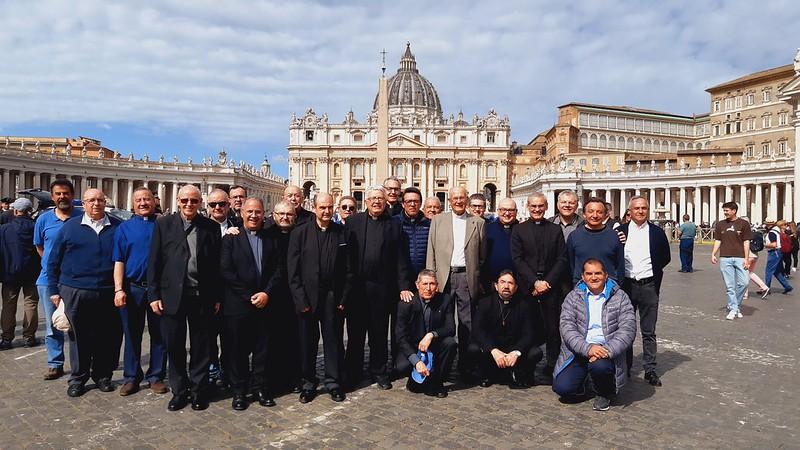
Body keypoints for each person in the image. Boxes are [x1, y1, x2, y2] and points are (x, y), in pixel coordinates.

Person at [148, 185, 222, 411]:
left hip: (202, 295)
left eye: (194, 200)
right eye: (185, 200)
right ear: (178, 201)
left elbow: (217, 265)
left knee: (201, 347)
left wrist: (217, 296)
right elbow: (154, 261)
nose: (189, 204)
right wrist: (153, 294)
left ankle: (199, 390)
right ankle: (179, 390)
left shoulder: (211, 227)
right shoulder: (163, 224)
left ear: (200, 202)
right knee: (175, 346)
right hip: (172, 295)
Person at [47, 188, 122, 397]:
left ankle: (102, 375)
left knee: (106, 336)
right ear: (84, 204)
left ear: (105, 202)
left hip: (107, 290)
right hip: (75, 289)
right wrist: (54, 290)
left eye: (100, 200)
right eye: (91, 200)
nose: (96, 204)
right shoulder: (70, 227)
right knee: (78, 337)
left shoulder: (117, 226)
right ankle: (78, 378)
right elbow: (53, 260)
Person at [344, 187, 413, 390]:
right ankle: (353, 372)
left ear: (385, 202)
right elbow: (346, 257)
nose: (377, 202)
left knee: (379, 333)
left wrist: (403, 286)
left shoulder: (394, 225)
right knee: (355, 333)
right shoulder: (352, 222)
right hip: (357, 287)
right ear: (365, 201)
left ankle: (379, 370)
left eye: (380, 199)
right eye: (373, 198)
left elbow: (401, 258)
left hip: (383, 288)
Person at [287, 192, 354, 403]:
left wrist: (343, 298)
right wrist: (300, 299)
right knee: (307, 343)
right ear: (314, 208)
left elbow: (349, 270)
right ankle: (308, 382)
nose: (326, 211)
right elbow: (293, 270)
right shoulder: (300, 233)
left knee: (333, 341)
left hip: (332, 297)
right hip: (307, 297)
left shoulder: (342, 233)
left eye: (329, 207)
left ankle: (333, 382)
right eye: (322, 207)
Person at [220, 198, 282, 410]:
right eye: (250, 212)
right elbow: (226, 271)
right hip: (238, 304)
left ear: (263, 213)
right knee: (237, 350)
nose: (254, 215)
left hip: (265, 303)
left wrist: (266, 293)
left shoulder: (271, 238)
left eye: (258, 212)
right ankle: (239, 391)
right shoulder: (231, 238)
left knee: (262, 349)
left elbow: (278, 270)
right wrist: (249, 296)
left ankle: (260, 388)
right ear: (242, 213)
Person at [553, 258, 636, 411]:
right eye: (589, 274)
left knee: (600, 367)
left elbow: (628, 329)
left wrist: (606, 351)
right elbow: (567, 327)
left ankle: (603, 392)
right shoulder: (572, 297)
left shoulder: (620, 297)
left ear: (606, 275)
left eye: (598, 273)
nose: (593, 277)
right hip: (579, 349)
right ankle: (583, 382)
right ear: (583, 277)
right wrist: (588, 349)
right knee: (563, 389)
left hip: (606, 351)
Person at [112, 187, 168, 397]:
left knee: (160, 335)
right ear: (133, 203)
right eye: (139, 200)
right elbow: (119, 261)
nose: (143, 203)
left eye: (147, 199)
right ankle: (131, 377)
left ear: (154, 201)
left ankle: (156, 376)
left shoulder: (164, 225)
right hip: (132, 287)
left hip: (159, 290)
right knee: (132, 333)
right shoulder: (124, 228)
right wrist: (118, 289)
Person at [426, 186, 485, 378]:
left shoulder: (478, 222)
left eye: (462, 197)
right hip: (443, 276)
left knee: (467, 322)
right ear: (449, 201)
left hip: (466, 276)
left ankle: (465, 363)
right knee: (441, 319)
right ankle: (441, 362)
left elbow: (482, 256)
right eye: (455, 198)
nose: (458, 201)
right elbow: (431, 251)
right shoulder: (438, 220)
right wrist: (431, 277)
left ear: (467, 199)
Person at [510, 192, 568, 380]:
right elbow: (517, 259)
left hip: (550, 286)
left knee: (553, 329)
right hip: (528, 287)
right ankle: (525, 367)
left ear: (546, 207)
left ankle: (552, 366)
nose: (537, 209)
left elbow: (561, 259)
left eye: (540, 206)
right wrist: (534, 282)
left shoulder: (555, 229)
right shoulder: (519, 230)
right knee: (526, 328)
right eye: (533, 206)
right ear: (528, 206)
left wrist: (547, 282)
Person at [617, 196, 671, 387]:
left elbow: (665, 257)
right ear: (629, 211)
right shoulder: (620, 232)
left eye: (644, 208)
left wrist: (651, 271)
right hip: (627, 286)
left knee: (649, 331)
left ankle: (650, 369)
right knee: (626, 329)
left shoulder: (657, 232)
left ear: (648, 210)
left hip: (649, 285)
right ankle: (627, 367)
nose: (640, 211)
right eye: (636, 208)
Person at [34, 180, 82, 380]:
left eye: (66, 193)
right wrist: (52, 265)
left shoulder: (82, 217)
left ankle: (82, 364)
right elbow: (39, 246)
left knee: (79, 324)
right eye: (58, 194)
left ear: (72, 195)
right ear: (53, 197)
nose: (62, 197)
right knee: (53, 324)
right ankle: (55, 363)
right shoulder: (43, 219)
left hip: (75, 280)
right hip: (48, 280)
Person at [470, 271, 542, 389]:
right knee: (473, 349)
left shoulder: (524, 305)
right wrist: (493, 350)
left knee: (535, 352)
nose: (506, 286)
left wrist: (516, 352)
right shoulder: (485, 303)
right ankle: (486, 374)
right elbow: (478, 330)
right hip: (493, 349)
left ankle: (524, 375)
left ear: (516, 287)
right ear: (496, 286)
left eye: (510, 283)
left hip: (513, 348)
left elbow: (529, 334)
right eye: (502, 282)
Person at [395, 270, 456, 398]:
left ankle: (437, 381)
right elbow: (400, 337)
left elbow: (451, 328)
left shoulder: (445, 299)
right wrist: (416, 361)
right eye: (425, 284)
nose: (428, 288)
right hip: (413, 346)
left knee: (451, 343)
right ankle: (417, 374)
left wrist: (431, 335)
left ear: (437, 286)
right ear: (417, 285)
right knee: (402, 367)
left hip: (434, 344)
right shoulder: (406, 304)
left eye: (432, 284)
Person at [264, 200, 302, 394]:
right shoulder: (265, 234)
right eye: (281, 214)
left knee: (294, 339)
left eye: (289, 214)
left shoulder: (300, 234)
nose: (285, 217)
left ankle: (294, 378)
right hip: (272, 295)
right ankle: (273, 380)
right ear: (274, 215)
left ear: (295, 217)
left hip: (294, 294)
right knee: (272, 339)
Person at [205, 188, 239, 387]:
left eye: (222, 204)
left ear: (229, 206)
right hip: (207, 293)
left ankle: (229, 373)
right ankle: (210, 373)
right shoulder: (198, 227)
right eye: (213, 205)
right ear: (207, 207)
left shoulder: (238, 226)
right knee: (208, 337)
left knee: (231, 336)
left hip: (231, 293)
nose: (218, 208)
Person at [0, 198, 41, 350]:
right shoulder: (36, 227)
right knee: (31, 304)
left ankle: (6, 338)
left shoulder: (4, 229)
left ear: (15, 211)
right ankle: (29, 337)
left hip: (9, 273)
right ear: (30, 210)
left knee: (8, 306)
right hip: (32, 272)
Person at [567, 197, 625, 284]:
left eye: (599, 212)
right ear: (584, 214)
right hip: (582, 288)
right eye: (591, 211)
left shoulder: (614, 236)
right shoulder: (574, 236)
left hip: (609, 287)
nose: (595, 215)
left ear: (605, 215)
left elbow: (620, 265)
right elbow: (571, 264)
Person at [711, 202, 752, 320]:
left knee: (744, 283)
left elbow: (746, 241)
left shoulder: (744, 224)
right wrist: (713, 253)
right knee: (730, 286)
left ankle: (733, 305)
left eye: (727, 210)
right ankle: (734, 309)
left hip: (740, 257)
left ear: (734, 211)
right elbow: (718, 240)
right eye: (724, 211)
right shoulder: (720, 224)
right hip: (725, 257)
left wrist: (746, 258)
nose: (725, 213)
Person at [482, 198, 520, 291]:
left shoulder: (523, 229)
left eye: (511, 210)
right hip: (491, 282)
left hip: (517, 283)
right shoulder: (487, 229)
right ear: (498, 211)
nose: (507, 213)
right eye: (503, 210)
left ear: (516, 211)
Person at [395, 187, 431, 276]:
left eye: (416, 201)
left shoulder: (429, 224)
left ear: (420, 204)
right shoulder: (394, 223)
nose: (412, 204)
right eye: (408, 201)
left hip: (423, 276)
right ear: (403, 204)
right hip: (400, 276)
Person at [763, 218, 793, 296]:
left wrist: (765, 245)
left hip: (774, 252)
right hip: (779, 252)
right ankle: (787, 286)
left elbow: (774, 244)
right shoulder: (777, 230)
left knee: (768, 271)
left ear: (769, 224)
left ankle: (766, 288)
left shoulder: (772, 232)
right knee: (777, 272)